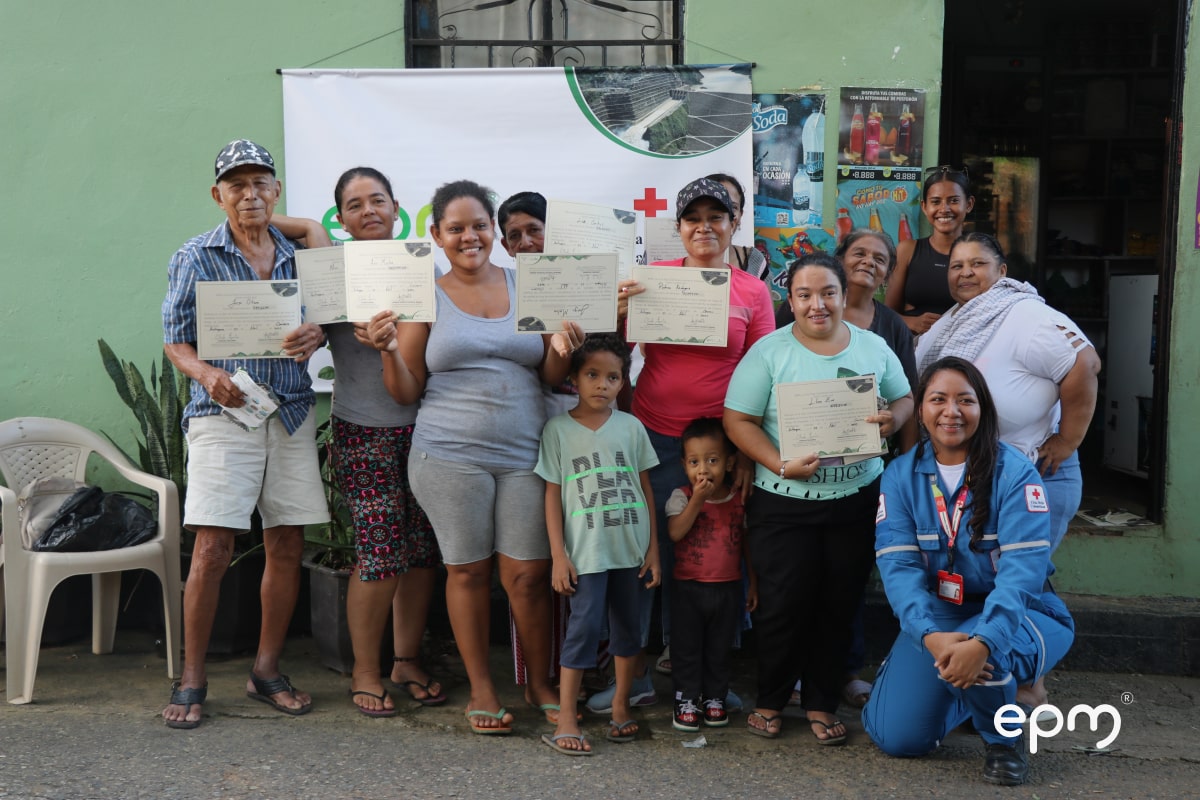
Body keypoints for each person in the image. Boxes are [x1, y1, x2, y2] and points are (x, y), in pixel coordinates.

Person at [366, 179, 582, 734]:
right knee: (467, 572)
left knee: (528, 574)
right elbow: (406, 391)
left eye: (479, 226)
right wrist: (389, 351)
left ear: (494, 232)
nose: (470, 237)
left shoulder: (526, 285)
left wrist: (563, 349)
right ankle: (483, 689)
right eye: (456, 228)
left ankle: (538, 684)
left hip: (526, 452)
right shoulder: (425, 297)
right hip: (448, 455)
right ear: (436, 235)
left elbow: (550, 376)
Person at [587, 177, 774, 715]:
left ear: (734, 224)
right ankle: (634, 676)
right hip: (653, 438)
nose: (704, 227)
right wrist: (617, 316)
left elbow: (763, 373)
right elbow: (612, 357)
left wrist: (744, 453)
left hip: (721, 448)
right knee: (644, 556)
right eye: (693, 218)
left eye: (717, 217)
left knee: (713, 561)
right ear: (679, 228)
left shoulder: (753, 292)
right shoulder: (652, 281)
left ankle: (706, 678)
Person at [160, 139, 331, 729]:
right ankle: (192, 678)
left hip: (290, 411)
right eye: (237, 185)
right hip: (223, 415)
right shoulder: (195, 255)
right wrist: (206, 374)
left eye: (260, 183)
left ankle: (266, 670)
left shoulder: (299, 255)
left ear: (276, 190)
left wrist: (317, 333)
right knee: (213, 547)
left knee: (287, 544)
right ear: (218, 194)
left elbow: (324, 318)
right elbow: (175, 340)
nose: (249, 194)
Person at [724, 251, 912, 743]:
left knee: (839, 602)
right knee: (783, 604)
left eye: (828, 293)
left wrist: (893, 419)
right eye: (804, 295)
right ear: (790, 300)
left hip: (856, 497)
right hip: (783, 501)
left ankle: (822, 702)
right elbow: (737, 419)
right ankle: (771, 698)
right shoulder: (769, 352)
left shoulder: (873, 347)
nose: (817, 305)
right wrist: (777, 462)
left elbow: (905, 397)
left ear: (844, 295)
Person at [863, 357, 1075, 786]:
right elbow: (899, 567)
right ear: (920, 409)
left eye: (965, 400)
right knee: (899, 737)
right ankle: (973, 692)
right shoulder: (901, 476)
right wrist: (928, 634)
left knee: (982, 652)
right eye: (938, 399)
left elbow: (1021, 576)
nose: (951, 411)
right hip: (941, 614)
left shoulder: (1016, 473)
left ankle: (1003, 741)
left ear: (983, 409)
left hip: (1024, 613)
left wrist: (983, 641)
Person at [285, 167, 445, 716]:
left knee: (421, 554)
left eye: (377, 200)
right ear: (341, 219)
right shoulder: (332, 271)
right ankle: (365, 670)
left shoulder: (422, 267)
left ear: (397, 208)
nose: (368, 211)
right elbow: (286, 225)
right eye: (354, 205)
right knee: (379, 553)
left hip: (426, 429)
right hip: (363, 432)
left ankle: (405, 660)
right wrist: (303, 227)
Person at [536, 333, 660, 755]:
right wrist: (558, 555)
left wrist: (653, 549)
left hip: (630, 550)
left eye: (612, 377)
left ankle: (621, 705)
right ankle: (567, 717)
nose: (602, 385)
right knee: (583, 629)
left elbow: (645, 489)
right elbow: (552, 495)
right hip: (586, 554)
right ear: (573, 377)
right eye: (592, 375)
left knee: (628, 630)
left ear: (623, 382)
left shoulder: (632, 427)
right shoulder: (557, 430)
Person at [665, 417, 755, 732]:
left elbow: (746, 545)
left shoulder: (738, 499)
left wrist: (753, 583)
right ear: (684, 465)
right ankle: (686, 699)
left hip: (728, 588)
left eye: (712, 460)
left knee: (719, 648)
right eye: (694, 462)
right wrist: (697, 500)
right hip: (688, 590)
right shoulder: (681, 496)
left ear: (730, 463)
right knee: (687, 649)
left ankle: (715, 697)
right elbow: (675, 532)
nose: (703, 469)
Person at [885, 166, 974, 336]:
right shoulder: (907, 251)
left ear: (968, 204)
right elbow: (888, 314)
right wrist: (913, 322)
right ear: (924, 207)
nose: (944, 209)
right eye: (936, 202)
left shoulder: (980, 254)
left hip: (965, 344)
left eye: (954, 201)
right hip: (913, 345)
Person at [706, 173, 769, 280]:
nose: (726, 214)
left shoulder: (753, 259)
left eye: (733, 207)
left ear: (740, 215)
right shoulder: (679, 262)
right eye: (715, 207)